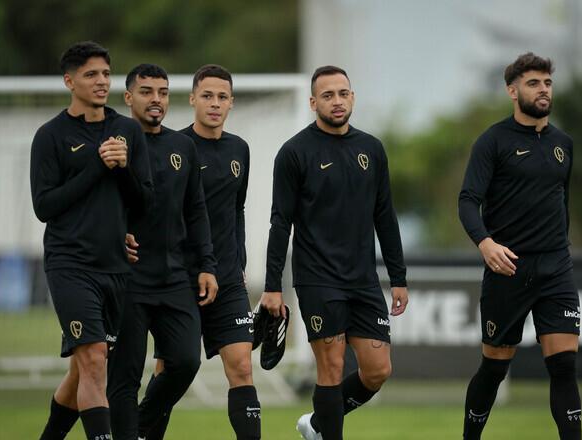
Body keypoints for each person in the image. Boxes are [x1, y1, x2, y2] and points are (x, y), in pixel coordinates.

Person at [261, 65, 409, 440]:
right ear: (313, 102)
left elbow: (385, 217)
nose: (337, 101)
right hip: (317, 278)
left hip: (362, 279)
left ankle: (317, 423)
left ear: (353, 97)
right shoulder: (294, 153)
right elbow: (281, 223)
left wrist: (398, 277)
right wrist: (273, 285)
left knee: (378, 370)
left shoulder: (371, 149)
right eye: (328, 95)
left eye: (343, 93)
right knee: (331, 366)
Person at [31, 41, 153, 440]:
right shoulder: (50, 136)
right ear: (70, 81)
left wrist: (121, 170)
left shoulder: (127, 130)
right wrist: (98, 166)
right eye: (90, 75)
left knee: (82, 368)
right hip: (70, 266)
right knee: (95, 361)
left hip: (116, 265)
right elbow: (45, 206)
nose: (102, 81)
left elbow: (143, 202)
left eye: (105, 73)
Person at [458, 52, 582, 440]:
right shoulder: (492, 141)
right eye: (533, 83)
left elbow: (562, 203)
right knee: (494, 367)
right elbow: (467, 201)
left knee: (563, 365)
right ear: (512, 91)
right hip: (507, 270)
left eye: (547, 82)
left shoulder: (563, 143)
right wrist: (486, 244)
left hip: (556, 269)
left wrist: (562, 247)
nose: (543, 89)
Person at [147, 64, 261, 440]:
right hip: (180, 277)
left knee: (242, 366)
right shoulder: (173, 146)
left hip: (227, 278)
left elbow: (237, 209)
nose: (215, 104)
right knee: (170, 367)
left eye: (222, 97)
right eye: (207, 96)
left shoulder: (239, 149)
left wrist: (239, 260)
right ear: (192, 98)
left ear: (231, 103)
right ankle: (143, 432)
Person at [105, 63, 218, 439]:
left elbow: (196, 210)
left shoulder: (182, 146)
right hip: (127, 278)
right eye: (147, 91)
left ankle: (136, 427)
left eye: (163, 92)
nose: (156, 100)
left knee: (186, 361)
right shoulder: (110, 141)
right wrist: (112, 235)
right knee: (125, 374)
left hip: (174, 277)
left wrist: (206, 265)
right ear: (128, 97)